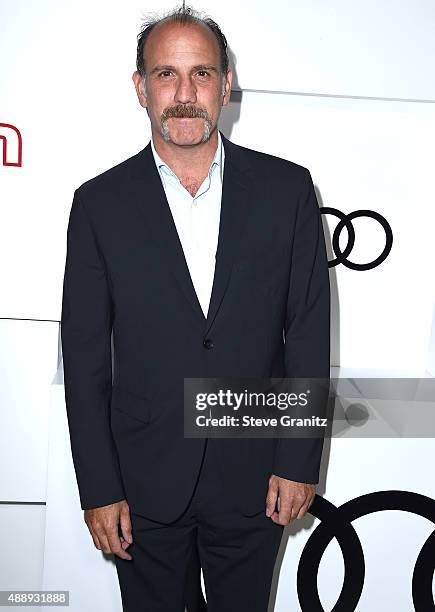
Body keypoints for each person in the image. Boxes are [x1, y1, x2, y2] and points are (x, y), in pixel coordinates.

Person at [60, 4, 331, 611]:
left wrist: (297, 459)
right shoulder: (99, 205)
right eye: (166, 75)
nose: (185, 94)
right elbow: (84, 360)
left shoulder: (286, 192)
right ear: (140, 87)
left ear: (226, 83)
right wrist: (99, 487)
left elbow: (307, 336)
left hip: (256, 477)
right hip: (141, 485)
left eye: (202, 74)